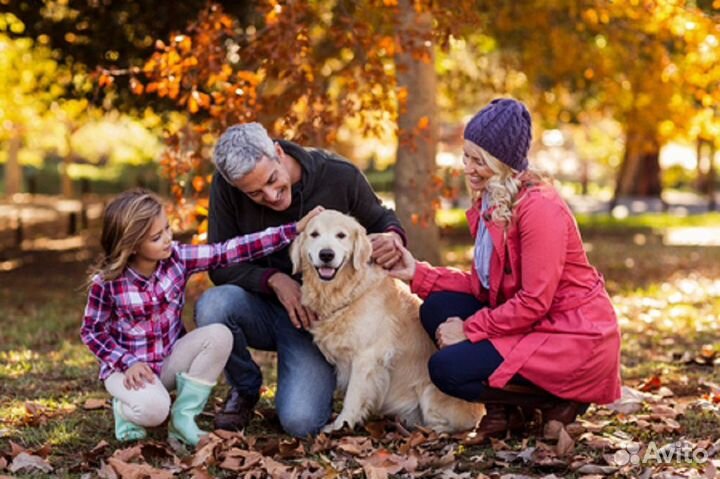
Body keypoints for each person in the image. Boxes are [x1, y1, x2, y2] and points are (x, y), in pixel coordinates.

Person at [388, 98, 622, 441]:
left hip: (570, 334)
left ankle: (559, 400)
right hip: (533, 320)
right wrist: (418, 274)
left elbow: (534, 302)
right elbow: (485, 288)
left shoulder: (540, 209)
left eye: (478, 159)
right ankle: (505, 411)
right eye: (466, 156)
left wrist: (469, 328)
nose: (467, 167)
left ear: (501, 163)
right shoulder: (494, 199)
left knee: (447, 370)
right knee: (437, 306)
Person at [194, 122, 406, 437]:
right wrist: (274, 280)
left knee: (301, 422)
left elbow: (381, 217)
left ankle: (316, 380)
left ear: (278, 153)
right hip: (260, 308)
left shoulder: (338, 175)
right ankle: (245, 388)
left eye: (272, 180)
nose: (271, 195)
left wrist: (392, 236)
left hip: (318, 319)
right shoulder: (227, 186)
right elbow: (220, 263)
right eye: (255, 193)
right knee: (214, 304)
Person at [80, 189, 322, 445]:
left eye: (167, 229)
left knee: (219, 335)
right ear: (131, 246)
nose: (166, 240)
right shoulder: (106, 284)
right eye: (156, 237)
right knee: (155, 411)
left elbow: (230, 251)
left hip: (168, 360)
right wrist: (127, 362)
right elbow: (92, 332)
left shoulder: (176, 258)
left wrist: (293, 229)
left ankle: (184, 418)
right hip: (126, 371)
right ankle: (124, 409)